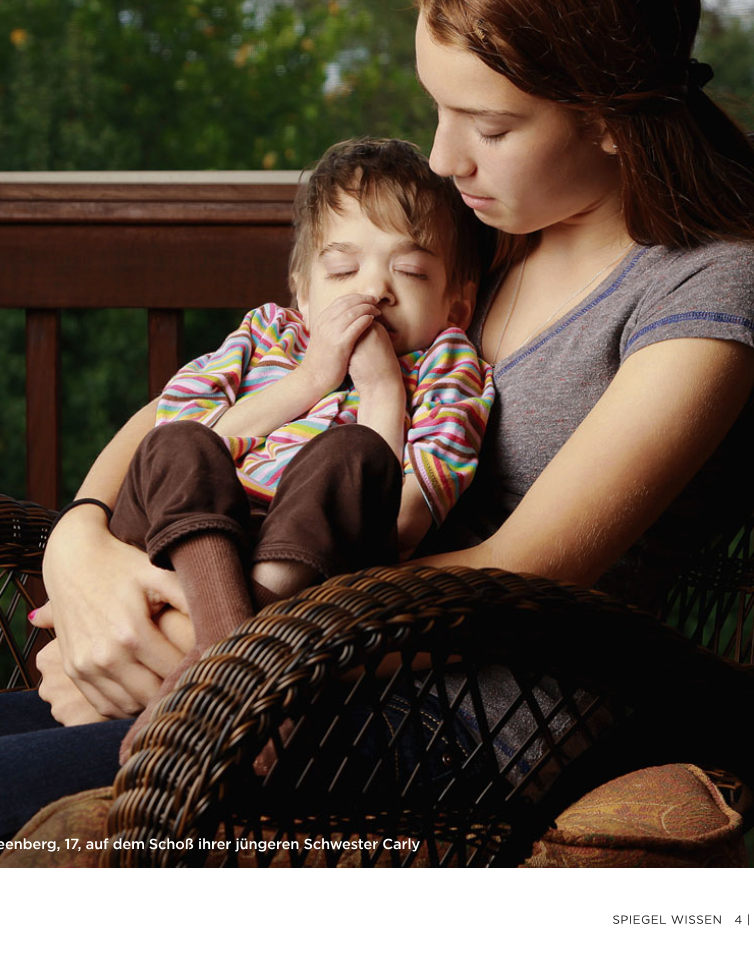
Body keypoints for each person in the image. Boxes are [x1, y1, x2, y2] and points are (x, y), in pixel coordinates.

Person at [0, 0, 754, 868]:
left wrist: (219, 642)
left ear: (611, 117)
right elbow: (184, 408)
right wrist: (84, 551)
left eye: (488, 127)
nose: (444, 163)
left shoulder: (707, 288)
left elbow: (527, 567)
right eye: (436, 111)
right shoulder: (487, 246)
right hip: (271, 656)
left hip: (447, 718)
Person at [79, 136, 494, 743]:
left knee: (353, 455)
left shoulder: (448, 367)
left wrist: (381, 393)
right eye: (344, 268)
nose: (374, 289)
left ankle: (220, 666)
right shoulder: (263, 337)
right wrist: (310, 379)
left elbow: (404, 522)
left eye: (409, 270)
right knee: (182, 443)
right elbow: (185, 443)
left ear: (457, 303)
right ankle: (240, 668)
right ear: (302, 289)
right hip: (183, 545)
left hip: (313, 573)